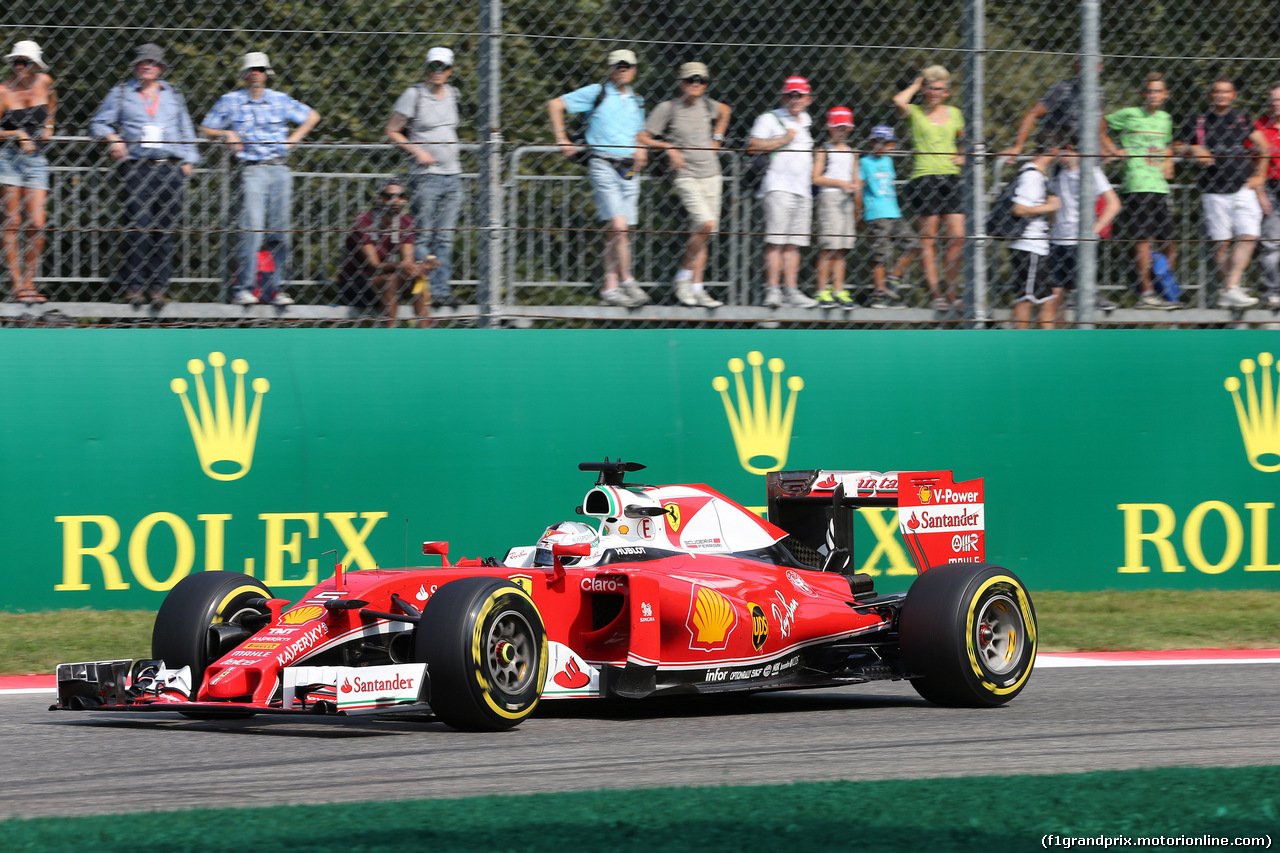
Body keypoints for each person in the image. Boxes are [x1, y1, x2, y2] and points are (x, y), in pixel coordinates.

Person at [200, 51, 320, 306]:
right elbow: (205, 128)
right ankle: (244, 288)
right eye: (252, 69)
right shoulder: (230, 101)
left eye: (260, 69)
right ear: (244, 74)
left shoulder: (280, 100)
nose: (256, 73)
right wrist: (226, 133)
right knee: (252, 230)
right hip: (251, 170)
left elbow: (312, 116)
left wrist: (294, 139)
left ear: (267, 75)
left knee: (280, 231)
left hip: (279, 169)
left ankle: (276, 289)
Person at [89, 43, 199, 308]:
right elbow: (97, 122)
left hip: (170, 167)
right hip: (138, 167)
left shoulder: (173, 94)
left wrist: (190, 160)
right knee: (138, 226)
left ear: (161, 67)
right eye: (142, 62)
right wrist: (112, 139)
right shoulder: (122, 93)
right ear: (136, 66)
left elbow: (186, 129)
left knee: (164, 230)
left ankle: (159, 288)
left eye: (152, 62)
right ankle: (134, 286)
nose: (147, 65)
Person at [548, 49, 648, 308]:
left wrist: (641, 148)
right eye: (618, 65)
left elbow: (637, 133)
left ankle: (610, 287)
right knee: (619, 226)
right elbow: (556, 104)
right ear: (610, 68)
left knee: (616, 230)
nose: (622, 69)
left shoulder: (637, 100)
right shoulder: (597, 92)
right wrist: (562, 138)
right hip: (602, 162)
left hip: (629, 169)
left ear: (635, 70)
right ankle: (628, 281)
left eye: (627, 65)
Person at [637, 61, 730, 308]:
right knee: (705, 223)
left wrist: (717, 139)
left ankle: (697, 288)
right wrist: (668, 147)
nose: (696, 85)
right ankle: (683, 276)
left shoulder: (708, 105)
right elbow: (643, 136)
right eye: (691, 80)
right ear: (681, 83)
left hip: (712, 173)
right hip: (686, 174)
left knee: (704, 233)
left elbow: (726, 111)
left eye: (701, 81)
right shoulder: (668, 108)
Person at [1175, 76, 1268, 309]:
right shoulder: (1198, 121)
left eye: (1226, 92)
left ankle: (1230, 287)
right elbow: (1175, 146)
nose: (1221, 95)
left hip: (1241, 186)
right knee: (1222, 243)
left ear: (1233, 95)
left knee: (1249, 235)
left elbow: (1264, 147)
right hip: (1213, 190)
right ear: (1210, 95)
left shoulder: (1241, 119)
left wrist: (1260, 176)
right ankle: (1232, 290)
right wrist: (1192, 148)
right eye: (1217, 91)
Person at [385, 46, 464, 309]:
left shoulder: (452, 94)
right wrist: (416, 151)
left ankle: (440, 290)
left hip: (453, 175)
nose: (437, 72)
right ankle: (423, 291)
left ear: (450, 70)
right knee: (424, 235)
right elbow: (393, 130)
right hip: (426, 176)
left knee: (445, 237)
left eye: (442, 67)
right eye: (433, 66)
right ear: (426, 68)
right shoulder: (414, 95)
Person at [893, 65, 964, 311]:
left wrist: (963, 154)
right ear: (925, 90)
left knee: (958, 235)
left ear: (947, 92)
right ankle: (936, 294)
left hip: (951, 176)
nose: (934, 93)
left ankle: (951, 291)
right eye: (930, 88)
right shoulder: (915, 112)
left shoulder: (955, 113)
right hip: (924, 177)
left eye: (939, 89)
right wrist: (916, 84)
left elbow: (963, 137)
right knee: (929, 239)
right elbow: (898, 100)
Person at [1106, 73, 1178, 309]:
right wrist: (1112, 149)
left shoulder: (1165, 118)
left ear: (1165, 95)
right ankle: (1146, 292)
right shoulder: (1130, 115)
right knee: (1144, 239)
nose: (1154, 95)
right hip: (1138, 184)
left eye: (1159, 91)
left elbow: (1166, 144)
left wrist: (1168, 160)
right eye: (1150, 91)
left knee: (1169, 241)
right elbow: (1099, 123)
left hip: (1160, 185)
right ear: (1143, 94)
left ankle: (1162, 286)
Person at [747, 75, 818, 308]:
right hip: (778, 186)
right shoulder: (770, 119)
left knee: (793, 243)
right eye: (791, 95)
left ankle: (791, 289)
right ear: (783, 97)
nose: (795, 99)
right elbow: (753, 146)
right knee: (776, 241)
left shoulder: (806, 122)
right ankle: (773, 290)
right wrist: (783, 139)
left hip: (802, 190)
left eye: (800, 95)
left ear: (809, 99)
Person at [1, 40, 55, 304]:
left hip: (37, 159)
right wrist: (17, 133)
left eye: (25, 61)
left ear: (35, 64)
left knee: (37, 222)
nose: (20, 66)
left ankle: (30, 283)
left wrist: (50, 125)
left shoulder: (45, 81)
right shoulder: (2, 90)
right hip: (8, 157)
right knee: (12, 222)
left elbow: (53, 100)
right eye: (16, 62)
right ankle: (17, 285)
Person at [1047, 135, 1121, 324]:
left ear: (1071, 149)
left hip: (1079, 241)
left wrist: (1093, 231)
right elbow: (1056, 203)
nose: (1058, 156)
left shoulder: (1091, 172)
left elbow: (1114, 204)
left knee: (1080, 292)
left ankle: (1090, 297)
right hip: (1057, 240)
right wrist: (1050, 229)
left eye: (1061, 151)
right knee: (1054, 297)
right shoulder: (1056, 171)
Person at [337, 181, 433, 328]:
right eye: (389, 196)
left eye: (401, 196)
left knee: (419, 277)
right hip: (356, 282)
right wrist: (401, 265)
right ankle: (390, 334)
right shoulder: (364, 221)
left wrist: (417, 267)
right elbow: (373, 265)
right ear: (379, 198)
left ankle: (425, 332)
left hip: (386, 281)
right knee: (390, 280)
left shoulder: (406, 221)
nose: (396, 201)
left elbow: (407, 260)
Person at [1000, 59, 1119, 161]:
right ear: (1076, 66)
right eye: (1081, 64)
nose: (1086, 68)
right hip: (1058, 137)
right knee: (1047, 136)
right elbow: (1032, 114)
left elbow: (1099, 120)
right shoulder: (1062, 88)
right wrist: (1018, 146)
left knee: (1097, 153)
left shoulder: (1098, 91)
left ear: (1099, 67)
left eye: (1091, 64)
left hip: (1081, 139)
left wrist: (1109, 147)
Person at [859, 125, 917, 308]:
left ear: (891, 145)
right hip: (876, 213)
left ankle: (892, 280)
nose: (880, 146)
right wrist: (859, 213)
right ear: (871, 142)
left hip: (894, 212)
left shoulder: (888, 161)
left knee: (914, 245)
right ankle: (879, 294)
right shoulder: (865, 162)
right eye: (876, 142)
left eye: (884, 143)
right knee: (881, 253)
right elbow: (859, 188)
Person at [1007, 139, 1061, 329]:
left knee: (1048, 298)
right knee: (1026, 299)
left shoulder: (1039, 176)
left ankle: (1046, 348)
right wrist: (1050, 206)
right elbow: (1019, 209)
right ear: (1054, 150)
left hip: (1037, 246)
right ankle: (1018, 349)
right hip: (1028, 245)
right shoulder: (1032, 177)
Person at [812, 106, 860, 308]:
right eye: (837, 127)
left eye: (844, 127)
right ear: (829, 127)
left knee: (842, 249)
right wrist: (840, 183)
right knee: (828, 247)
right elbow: (816, 177)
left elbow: (856, 178)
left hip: (846, 202)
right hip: (830, 199)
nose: (841, 131)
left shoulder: (852, 152)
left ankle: (838, 288)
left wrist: (858, 197)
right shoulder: (824, 150)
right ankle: (822, 290)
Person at [1253, 83, 1280, 310]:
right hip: (1270, 185)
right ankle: (1273, 292)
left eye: (1279, 99)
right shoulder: (1260, 126)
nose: (1275, 103)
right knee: (1272, 244)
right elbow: (1252, 160)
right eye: (1272, 99)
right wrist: (1260, 192)